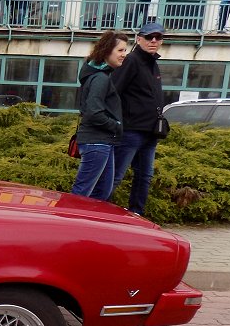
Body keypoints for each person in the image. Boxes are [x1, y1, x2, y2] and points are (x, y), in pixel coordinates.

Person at [110, 22, 166, 215]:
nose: (154, 41)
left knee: (145, 176)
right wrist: (119, 121)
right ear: (139, 39)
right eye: (149, 37)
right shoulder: (131, 60)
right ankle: (93, 213)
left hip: (151, 132)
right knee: (115, 176)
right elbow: (114, 91)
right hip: (131, 131)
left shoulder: (153, 63)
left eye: (158, 37)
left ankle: (136, 213)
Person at [70, 31, 127, 200]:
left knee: (101, 193)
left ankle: (88, 225)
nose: (124, 55)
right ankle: (66, 223)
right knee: (82, 193)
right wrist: (116, 125)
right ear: (107, 51)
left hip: (102, 141)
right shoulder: (100, 78)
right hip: (96, 142)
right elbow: (94, 112)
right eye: (120, 50)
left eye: (125, 50)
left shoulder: (101, 75)